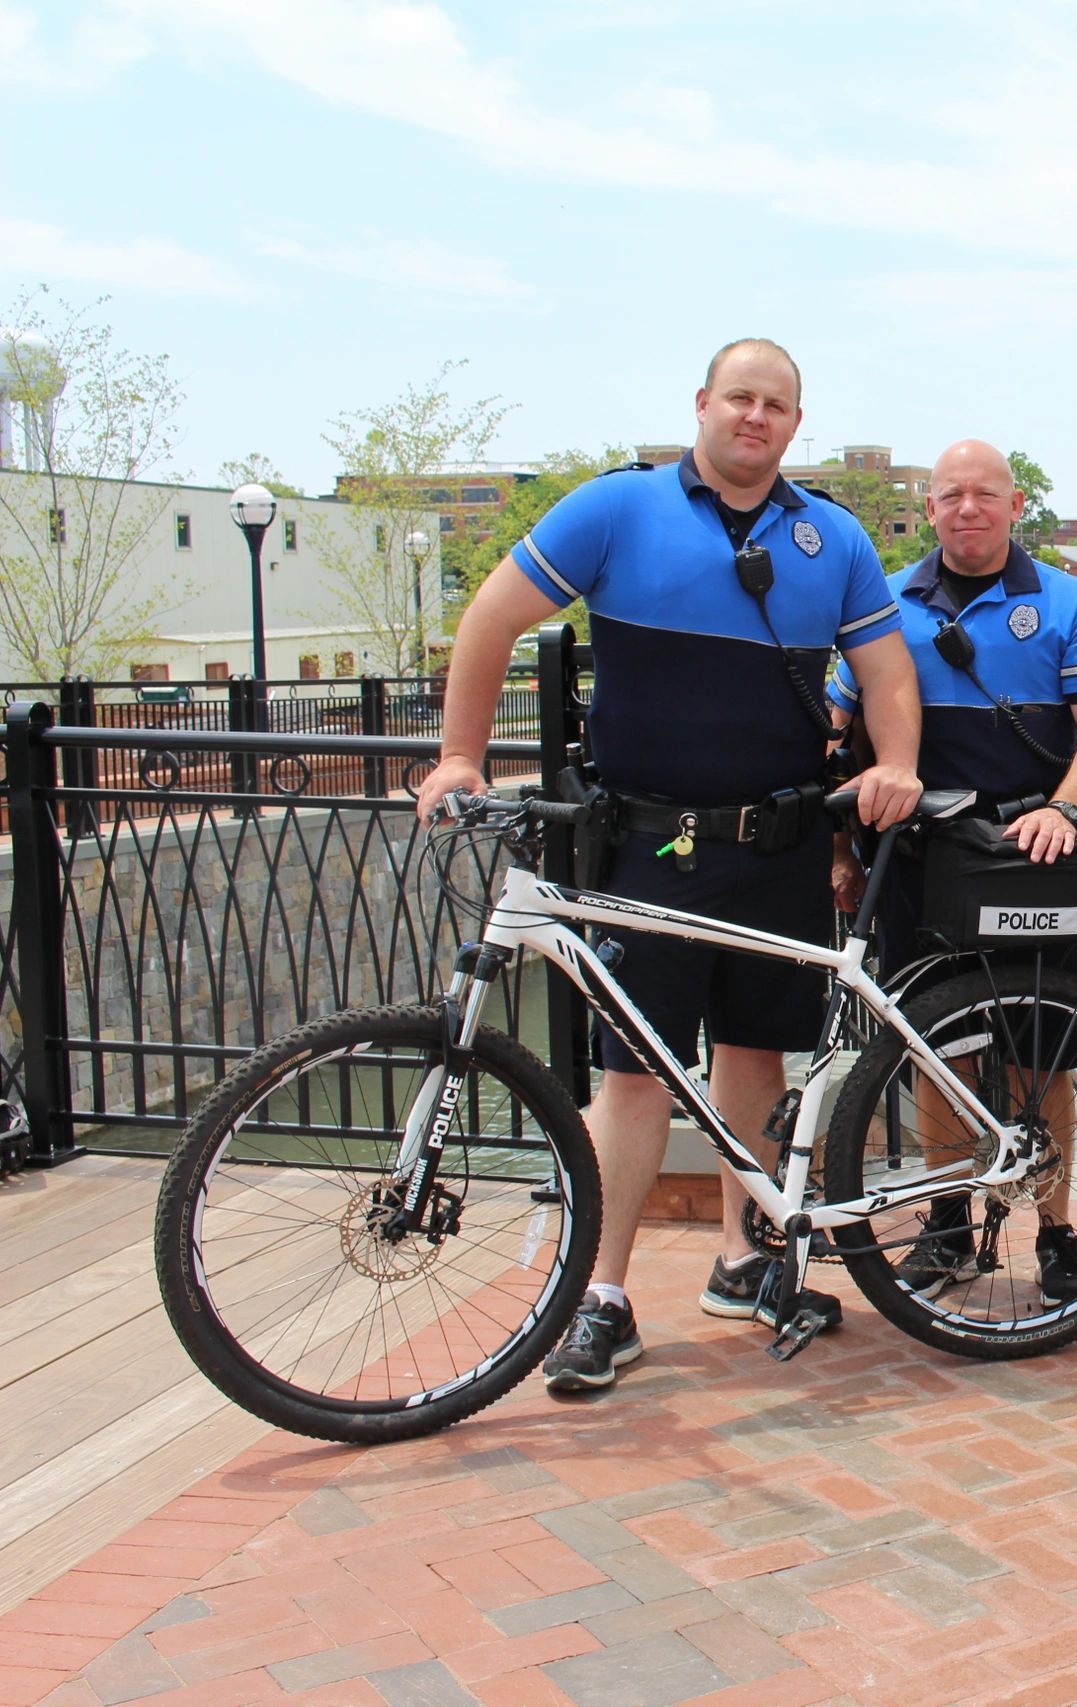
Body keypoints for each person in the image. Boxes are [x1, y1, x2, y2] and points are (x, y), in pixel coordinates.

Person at [416, 338, 923, 1393]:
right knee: (633, 1073)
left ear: (795, 424)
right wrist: (461, 755)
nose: (756, 416)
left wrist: (898, 764)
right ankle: (601, 1293)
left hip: (779, 844)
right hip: (649, 844)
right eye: (740, 397)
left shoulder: (831, 537)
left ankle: (744, 1261)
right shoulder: (617, 508)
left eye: (776, 404)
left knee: (755, 1053)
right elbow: (492, 619)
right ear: (702, 403)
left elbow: (884, 671)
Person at [824, 439, 1077, 1306]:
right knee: (938, 1052)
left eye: (986, 494)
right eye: (951, 494)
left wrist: (1065, 811)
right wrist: (839, 851)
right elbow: (835, 733)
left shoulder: (1072, 603)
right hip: (920, 864)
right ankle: (948, 1222)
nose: (969, 508)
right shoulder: (880, 604)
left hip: (1037, 858)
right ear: (929, 507)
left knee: (1045, 1057)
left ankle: (1056, 1231)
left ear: (1015, 505)